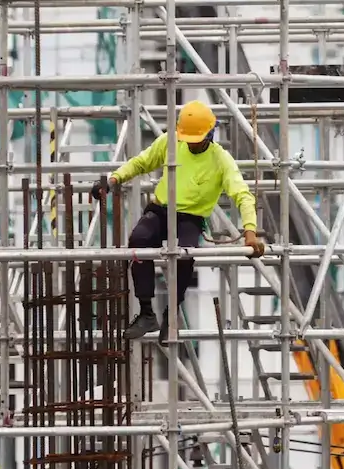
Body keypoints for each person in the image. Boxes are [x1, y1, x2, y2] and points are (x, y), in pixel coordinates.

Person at [92, 100, 265, 340]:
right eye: (189, 140)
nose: (192, 146)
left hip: (190, 217)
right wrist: (113, 180)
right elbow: (141, 162)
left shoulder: (221, 159)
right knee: (139, 241)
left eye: (197, 141)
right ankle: (146, 313)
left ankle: (171, 316)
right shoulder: (171, 141)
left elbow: (242, 195)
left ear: (210, 135)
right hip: (161, 209)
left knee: (185, 255)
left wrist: (250, 231)